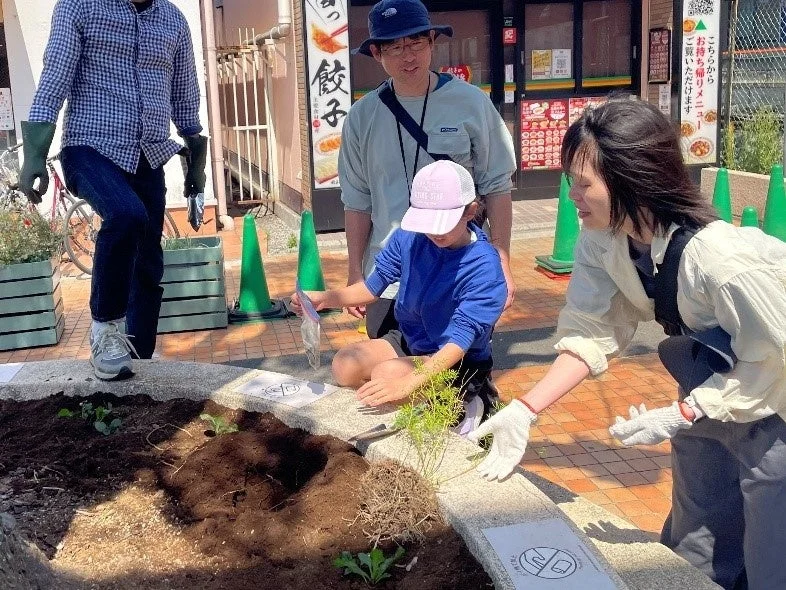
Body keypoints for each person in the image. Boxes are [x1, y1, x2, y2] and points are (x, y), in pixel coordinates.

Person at [468, 97, 786, 590]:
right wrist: (526, 410)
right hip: (707, 380)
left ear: (632, 178)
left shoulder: (721, 261)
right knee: (695, 536)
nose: (572, 194)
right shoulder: (605, 238)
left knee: (773, 547)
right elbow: (593, 330)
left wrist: (683, 413)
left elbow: (772, 358)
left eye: (583, 182)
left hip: (773, 397)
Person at [19, 0, 207, 380]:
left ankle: (139, 362)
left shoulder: (173, 20)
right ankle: (105, 328)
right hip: (89, 148)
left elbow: (185, 96)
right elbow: (55, 79)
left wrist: (196, 169)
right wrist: (35, 154)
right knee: (125, 214)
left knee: (148, 267)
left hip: (149, 155)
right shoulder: (78, 7)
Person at [340, 0, 516, 342]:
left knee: (463, 376)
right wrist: (354, 274)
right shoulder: (361, 117)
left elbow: (497, 185)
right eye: (394, 46)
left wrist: (503, 259)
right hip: (389, 272)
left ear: (432, 43)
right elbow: (357, 201)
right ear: (377, 53)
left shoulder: (471, 102)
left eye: (416, 43)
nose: (408, 56)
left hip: (459, 267)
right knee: (390, 377)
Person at [293, 160, 507, 426]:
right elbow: (372, 288)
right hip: (410, 338)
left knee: (387, 376)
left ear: (470, 211)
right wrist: (326, 298)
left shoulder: (484, 266)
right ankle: (409, 407)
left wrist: (407, 384)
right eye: (428, 223)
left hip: (459, 359)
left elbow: (459, 343)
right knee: (345, 364)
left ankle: (467, 401)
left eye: (443, 224)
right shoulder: (411, 238)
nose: (434, 233)